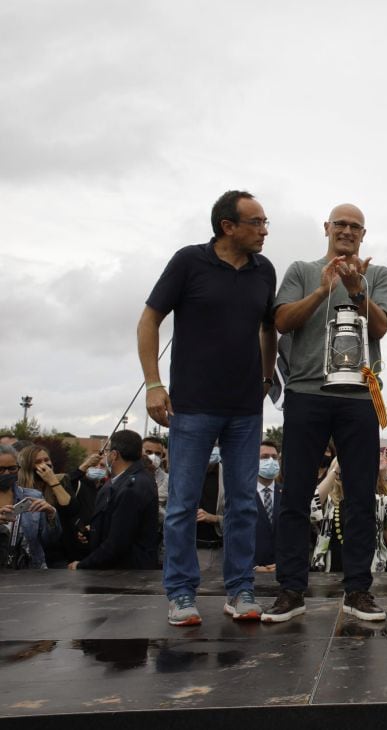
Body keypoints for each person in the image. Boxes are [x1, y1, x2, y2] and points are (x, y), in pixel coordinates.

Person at [138, 189, 277, 626]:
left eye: (266, 221)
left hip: (245, 409)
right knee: (181, 504)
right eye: (256, 222)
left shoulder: (264, 270)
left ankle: (240, 590)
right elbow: (149, 319)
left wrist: (267, 376)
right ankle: (181, 594)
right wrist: (154, 384)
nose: (265, 230)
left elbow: (268, 328)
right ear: (227, 226)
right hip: (193, 406)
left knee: (242, 503)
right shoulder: (188, 261)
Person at [262, 203, 387, 624]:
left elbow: (380, 329)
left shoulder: (378, 275)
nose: (348, 231)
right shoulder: (302, 269)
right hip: (306, 391)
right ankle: (291, 590)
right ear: (327, 227)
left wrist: (357, 290)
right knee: (297, 493)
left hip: (358, 396)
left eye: (356, 226)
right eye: (341, 224)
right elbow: (282, 321)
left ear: (363, 233)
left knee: (359, 496)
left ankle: (357, 590)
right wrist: (323, 289)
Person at [68, 430, 158, 570]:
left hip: (125, 574)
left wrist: (82, 565)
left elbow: (118, 542)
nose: (105, 456)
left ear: (114, 455)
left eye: (108, 451)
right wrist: (93, 533)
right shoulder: (122, 481)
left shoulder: (132, 487)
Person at [0, 445, 60, 568]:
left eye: (12, 468)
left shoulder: (32, 496)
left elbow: (50, 541)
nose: (7, 473)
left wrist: (51, 516)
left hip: (30, 574)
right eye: (0, 469)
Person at [254, 440, 282, 572]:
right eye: (264, 457)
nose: (271, 461)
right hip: (250, 573)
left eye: (274, 457)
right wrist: (253, 567)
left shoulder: (287, 494)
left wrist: (284, 563)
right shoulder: (242, 496)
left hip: (282, 572)